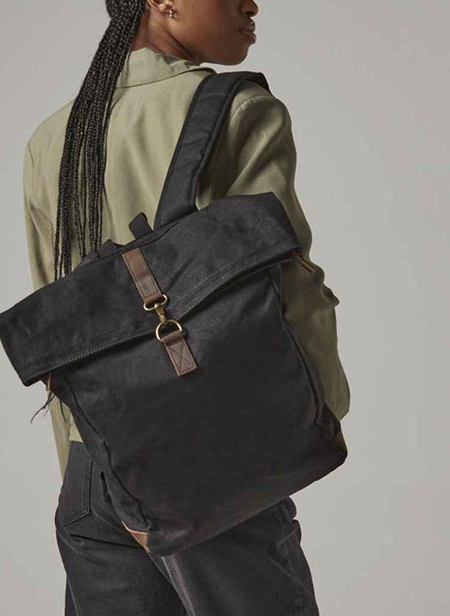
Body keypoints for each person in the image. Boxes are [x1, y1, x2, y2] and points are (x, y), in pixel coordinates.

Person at [22, 1, 350, 614]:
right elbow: (284, 286)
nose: (251, 4)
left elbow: (57, 326)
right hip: (207, 463)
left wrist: (88, 471)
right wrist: (321, 412)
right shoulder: (238, 110)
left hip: (93, 475)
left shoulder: (54, 138)